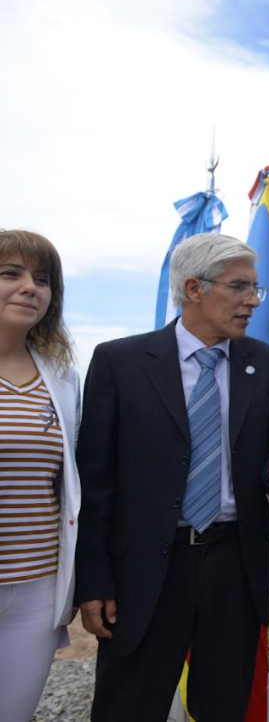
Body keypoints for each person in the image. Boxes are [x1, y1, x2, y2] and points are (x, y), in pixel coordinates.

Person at [74, 233, 269, 721]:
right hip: (144, 572)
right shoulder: (120, 362)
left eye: (256, 289)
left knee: (223, 707)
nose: (252, 301)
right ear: (194, 288)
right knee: (129, 707)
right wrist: (94, 579)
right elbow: (95, 482)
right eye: (240, 287)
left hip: (233, 567)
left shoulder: (265, 364)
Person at [0, 230, 80, 722]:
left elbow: (69, 484)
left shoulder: (63, 377)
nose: (31, 287)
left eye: (43, 279)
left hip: (36, 589)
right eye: (11, 274)